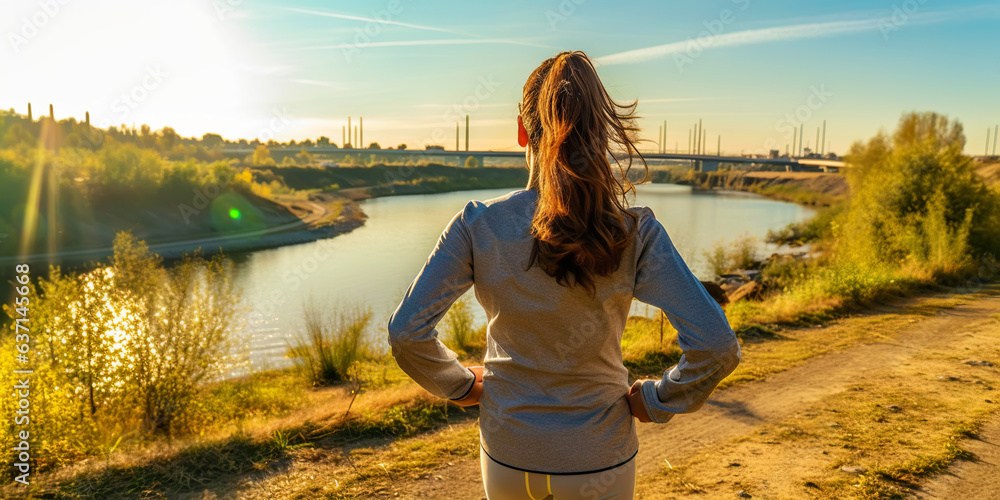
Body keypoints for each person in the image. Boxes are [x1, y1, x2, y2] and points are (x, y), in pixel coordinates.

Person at [387, 50, 741, 500]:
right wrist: (656, 401)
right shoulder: (635, 232)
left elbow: (406, 334)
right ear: (600, 131)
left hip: (509, 448)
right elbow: (716, 346)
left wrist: (459, 386)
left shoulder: (478, 225)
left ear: (521, 130)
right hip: (600, 455)